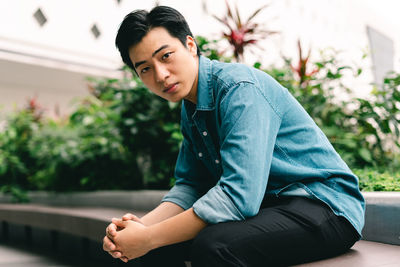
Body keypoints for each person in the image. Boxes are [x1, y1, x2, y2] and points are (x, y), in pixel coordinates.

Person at [103, 5, 365, 267]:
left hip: (325, 206)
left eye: (166, 56)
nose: (161, 75)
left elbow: (239, 195)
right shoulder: (191, 107)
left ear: (190, 46)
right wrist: (137, 228)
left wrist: (149, 237)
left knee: (214, 247)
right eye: (145, 69)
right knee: (153, 248)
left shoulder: (239, 89)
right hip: (272, 209)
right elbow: (191, 184)